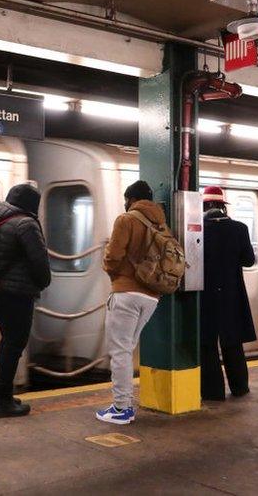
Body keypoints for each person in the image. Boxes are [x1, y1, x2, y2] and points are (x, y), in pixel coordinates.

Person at [97, 180, 170, 424]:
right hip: (151, 297)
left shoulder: (126, 219)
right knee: (126, 350)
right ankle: (123, 404)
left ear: (130, 199)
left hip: (126, 293)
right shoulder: (161, 223)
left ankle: (121, 408)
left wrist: (112, 273)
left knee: (120, 352)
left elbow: (113, 256)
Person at [0, 182, 51, 418]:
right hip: (18, 293)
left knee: (8, 342)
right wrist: (43, 282)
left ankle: (0, 392)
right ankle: (2, 400)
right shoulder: (26, 224)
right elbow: (40, 262)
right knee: (14, 344)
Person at [199, 186, 256, 400]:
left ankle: (213, 392)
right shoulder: (239, 228)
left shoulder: (197, 229)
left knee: (208, 344)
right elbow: (249, 260)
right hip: (232, 294)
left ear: (204, 206)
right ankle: (240, 387)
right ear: (223, 206)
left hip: (205, 295)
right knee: (232, 342)